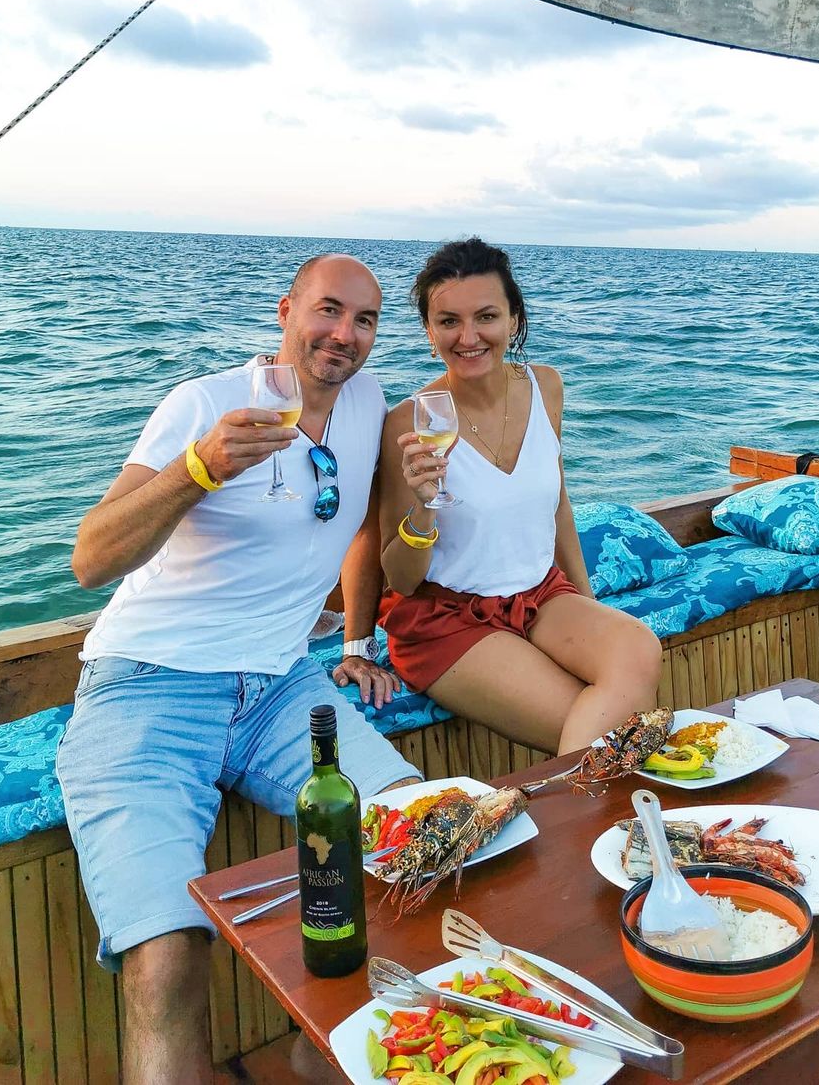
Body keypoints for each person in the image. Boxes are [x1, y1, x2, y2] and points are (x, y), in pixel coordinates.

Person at [58, 254, 420, 1085]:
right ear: (286, 310)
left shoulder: (367, 404)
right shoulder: (206, 404)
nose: (344, 334)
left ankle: (319, 1053)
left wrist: (357, 643)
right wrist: (197, 470)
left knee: (416, 837)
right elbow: (90, 558)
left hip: (283, 688)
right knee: (167, 949)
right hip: (147, 686)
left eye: (365, 320)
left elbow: (364, 522)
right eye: (328, 310)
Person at [379, 237, 663, 755]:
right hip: (447, 617)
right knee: (604, 733)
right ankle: (588, 808)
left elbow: (558, 505)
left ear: (514, 319)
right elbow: (400, 578)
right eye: (448, 321)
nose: (468, 337)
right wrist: (424, 504)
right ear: (429, 331)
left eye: (486, 316)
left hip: (540, 595)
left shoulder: (546, 387)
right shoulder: (408, 422)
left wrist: (587, 607)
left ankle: (585, 804)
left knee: (638, 647)